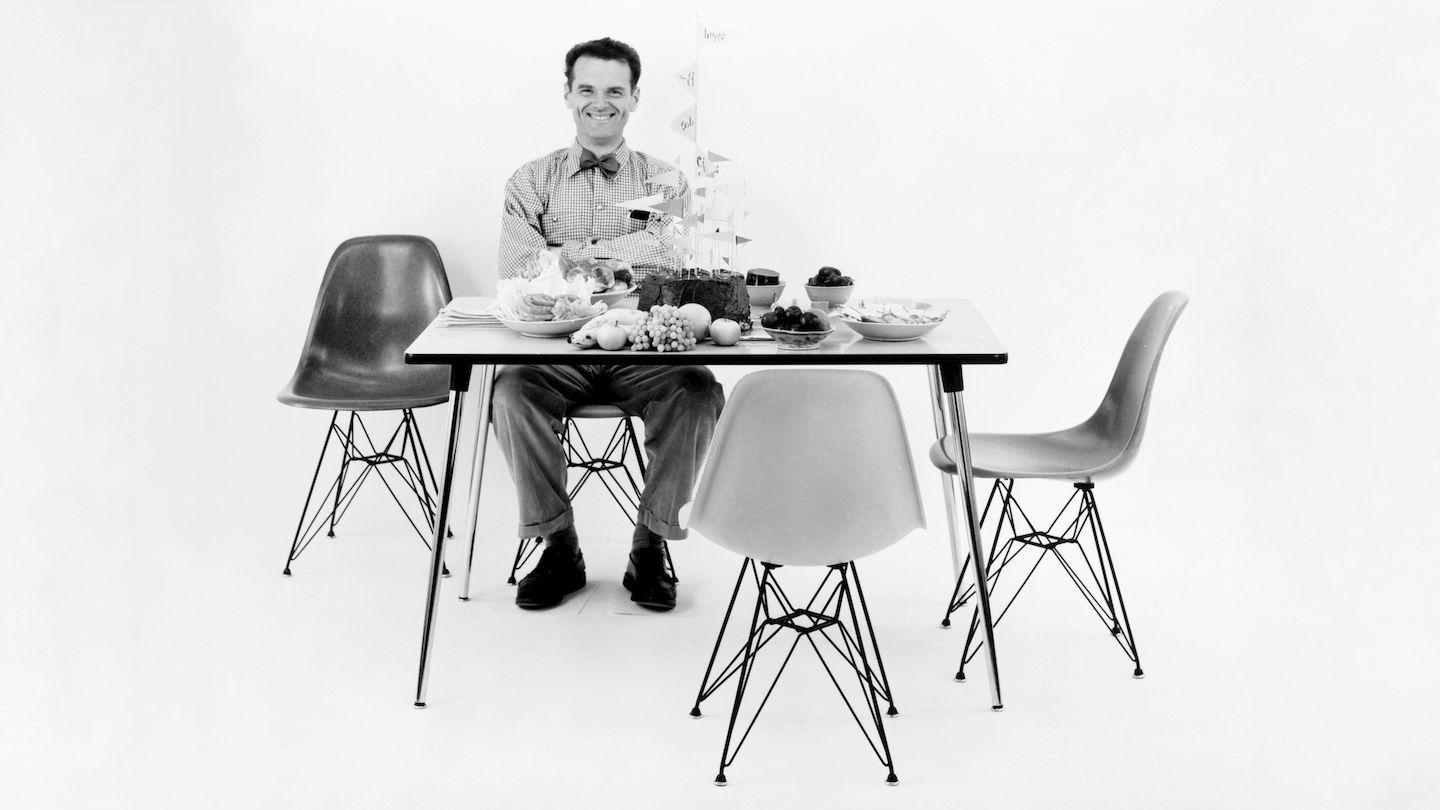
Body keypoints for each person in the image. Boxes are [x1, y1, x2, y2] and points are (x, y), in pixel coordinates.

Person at [492, 37, 725, 612]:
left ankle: (650, 545)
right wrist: (624, 250)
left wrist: (565, 256)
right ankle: (558, 545)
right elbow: (516, 267)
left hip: (643, 350)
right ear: (568, 94)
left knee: (698, 392)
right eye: (588, 89)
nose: (602, 102)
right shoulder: (529, 180)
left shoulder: (666, 181)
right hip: (556, 352)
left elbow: (669, 253)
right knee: (511, 392)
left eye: (615, 90)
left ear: (635, 98)